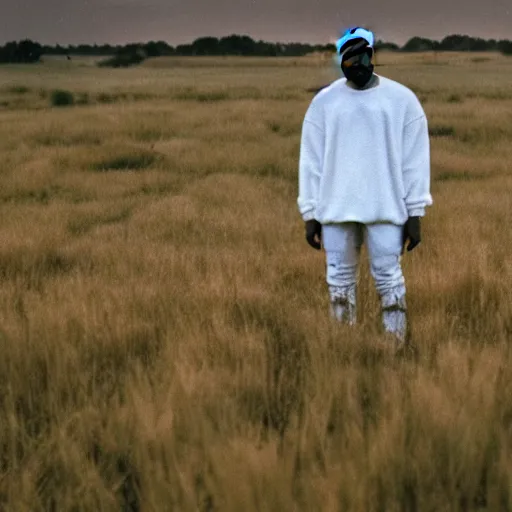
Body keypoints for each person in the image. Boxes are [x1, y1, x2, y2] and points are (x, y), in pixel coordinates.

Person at [297, 27, 433, 345]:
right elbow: (310, 162)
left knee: (389, 283)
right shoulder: (324, 103)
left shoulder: (402, 101)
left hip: (386, 209)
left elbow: (415, 160)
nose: (356, 65)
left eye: (362, 57)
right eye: (348, 59)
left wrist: (414, 213)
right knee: (340, 287)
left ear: (372, 56)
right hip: (334, 211)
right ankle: (345, 348)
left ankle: (394, 347)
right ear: (340, 60)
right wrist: (310, 212)